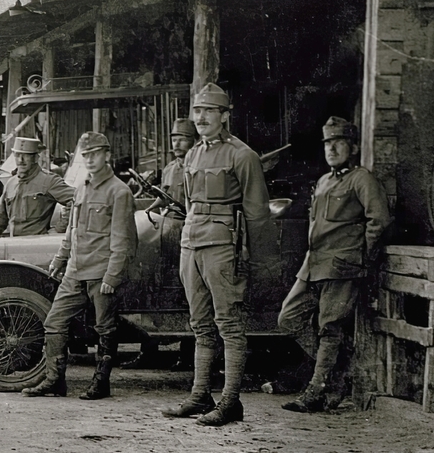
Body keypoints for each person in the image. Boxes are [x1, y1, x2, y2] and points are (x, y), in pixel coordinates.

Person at [163, 83, 279, 427]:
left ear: (225, 116)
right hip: (191, 242)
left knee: (228, 322)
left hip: (221, 244)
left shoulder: (242, 155)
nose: (200, 118)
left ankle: (231, 401)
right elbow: (187, 203)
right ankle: (201, 395)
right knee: (199, 323)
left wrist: (259, 263)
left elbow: (258, 215)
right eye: (197, 112)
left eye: (208, 111)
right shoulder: (194, 154)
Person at [277, 117, 390, 413]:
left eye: (339, 142)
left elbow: (378, 220)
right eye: (328, 143)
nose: (332, 148)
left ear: (352, 147)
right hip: (313, 263)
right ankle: (337, 372)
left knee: (329, 328)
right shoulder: (325, 181)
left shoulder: (362, 179)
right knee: (288, 318)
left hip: (342, 265)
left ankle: (316, 391)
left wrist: (361, 256)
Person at [24, 131, 138, 400]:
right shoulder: (82, 188)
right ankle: (54, 380)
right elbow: (72, 231)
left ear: (107, 155)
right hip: (76, 270)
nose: (90, 159)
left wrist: (112, 275)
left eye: (95, 154)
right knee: (54, 322)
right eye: (85, 155)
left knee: (105, 328)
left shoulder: (119, 192)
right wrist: (61, 258)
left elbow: (124, 239)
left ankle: (101, 383)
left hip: (101, 272)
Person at [0, 135, 74, 237]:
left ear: (35, 158)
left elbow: (77, 200)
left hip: (37, 246)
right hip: (13, 244)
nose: (21, 160)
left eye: (26, 156)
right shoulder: (11, 183)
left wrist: (59, 229)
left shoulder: (48, 181)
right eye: (17, 155)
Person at [156, 118, 197, 255]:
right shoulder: (169, 169)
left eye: (182, 139)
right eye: (174, 140)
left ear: (194, 141)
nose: (177, 144)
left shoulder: (199, 168)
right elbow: (163, 197)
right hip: (168, 228)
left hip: (191, 229)